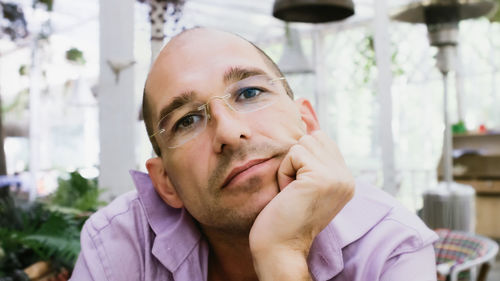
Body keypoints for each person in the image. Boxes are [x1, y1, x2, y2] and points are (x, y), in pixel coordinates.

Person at [70, 27, 438, 281]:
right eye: (187, 120)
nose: (229, 132)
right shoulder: (117, 244)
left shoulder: (392, 247)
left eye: (249, 93)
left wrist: (282, 255)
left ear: (307, 123)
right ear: (165, 182)